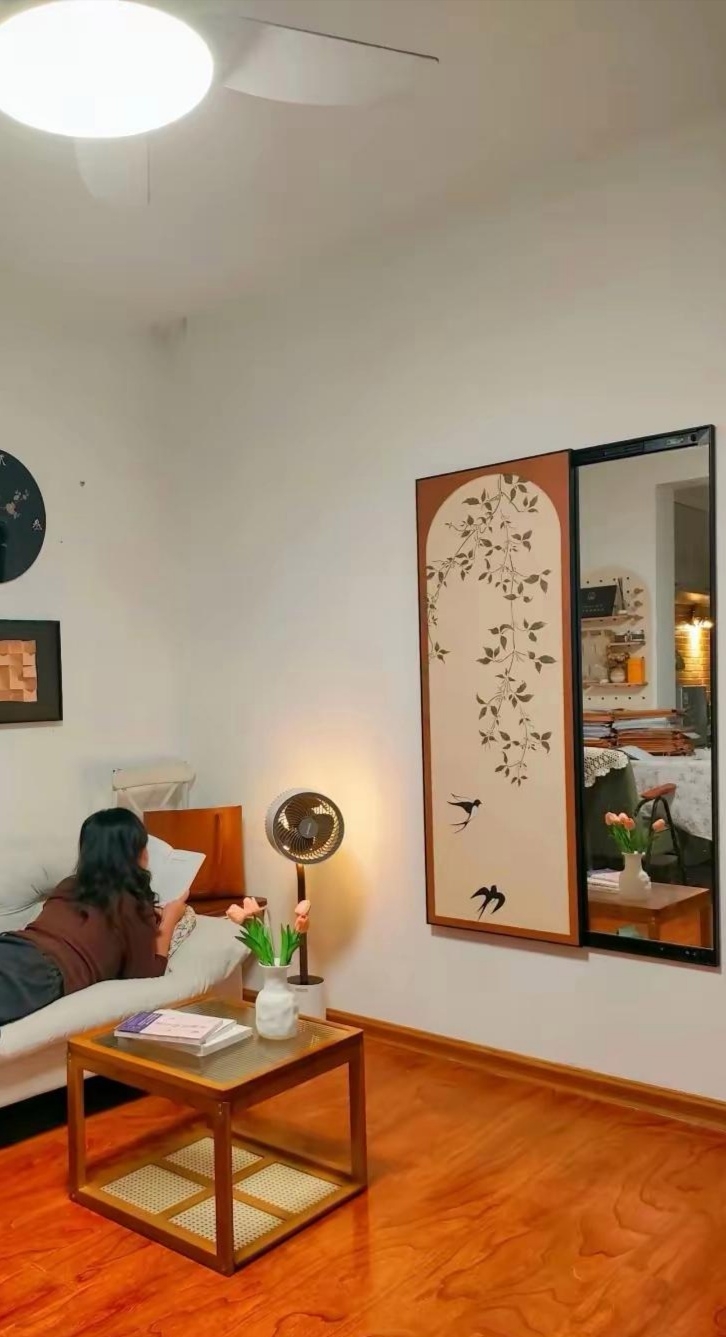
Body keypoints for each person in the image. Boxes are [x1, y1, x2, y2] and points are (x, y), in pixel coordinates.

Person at [0, 808, 190, 1027]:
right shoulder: (131, 902)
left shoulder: (69, 885)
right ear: (137, 854)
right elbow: (146, 973)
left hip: (14, 945)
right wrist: (170, 919)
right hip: (40, 971)